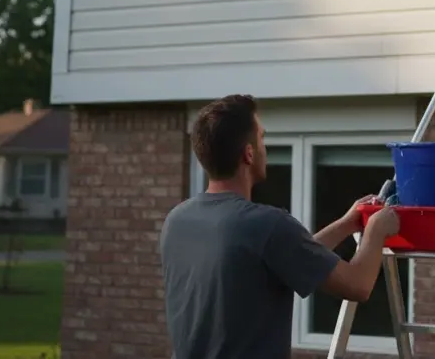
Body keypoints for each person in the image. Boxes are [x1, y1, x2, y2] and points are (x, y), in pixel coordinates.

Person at [160, 93, 401, 359]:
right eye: (262, 138)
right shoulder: (266, 225)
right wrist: (377, 228)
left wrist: (345, 224)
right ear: (249, 154)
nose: (265, 146)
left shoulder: (177, 221)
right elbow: (358, 285)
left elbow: (286, 257)